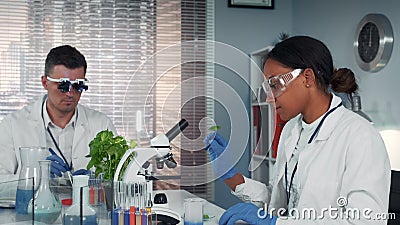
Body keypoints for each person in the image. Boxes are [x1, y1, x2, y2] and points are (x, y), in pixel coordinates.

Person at [204, 36, 391, 225]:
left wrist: (274, 223)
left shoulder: (360, 137)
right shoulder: (292, 130)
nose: (269, 98)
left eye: (274, 85)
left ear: (307, 78)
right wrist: (231, 175)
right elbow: (281, 202)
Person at [0, 45, 117, 180]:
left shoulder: (102, 124)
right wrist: (35, 177)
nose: (70, 93)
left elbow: (119, 177)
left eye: (78, 86)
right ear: (45, 82)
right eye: (63, 85)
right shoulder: (13, 125)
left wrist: (96, 181)